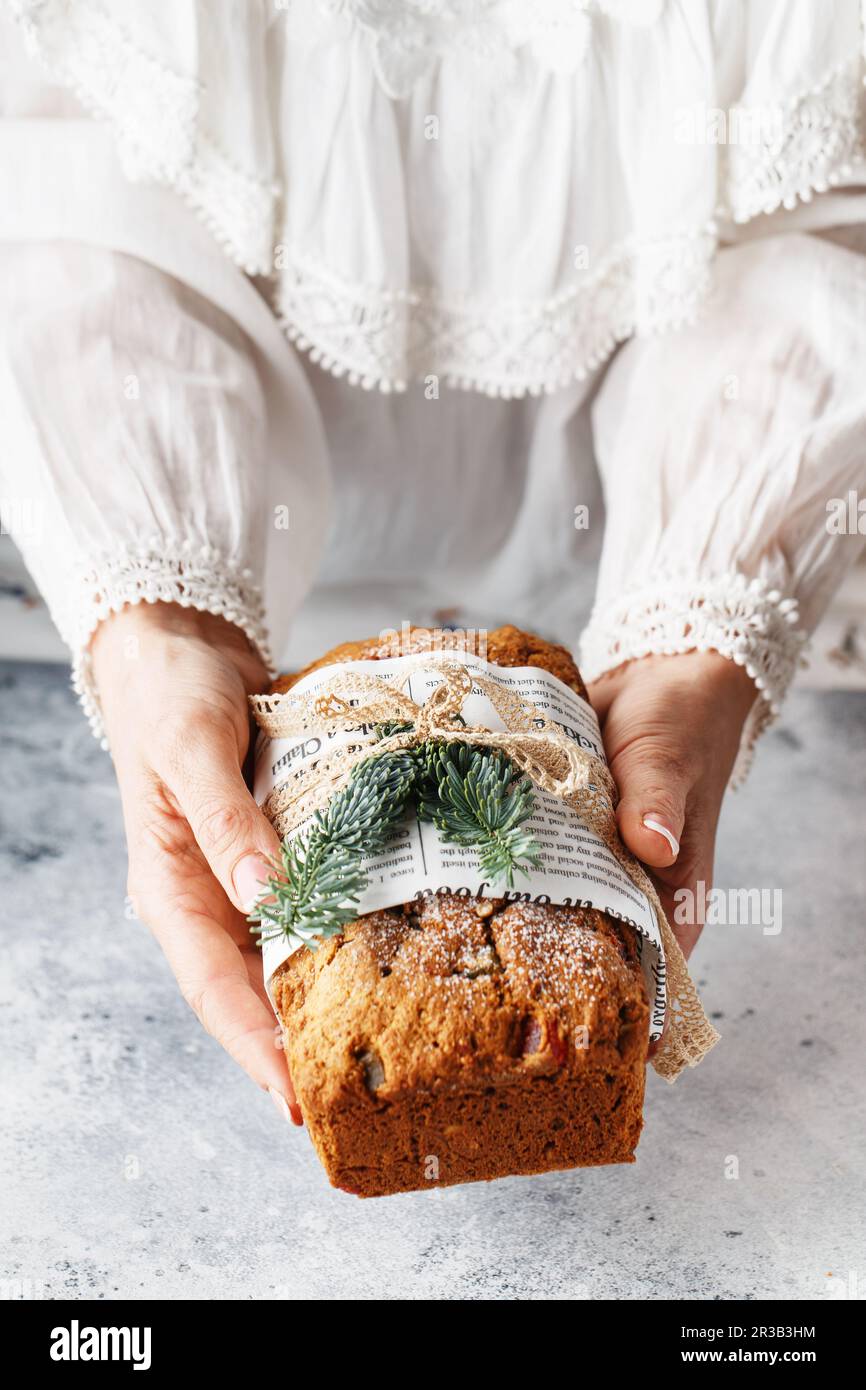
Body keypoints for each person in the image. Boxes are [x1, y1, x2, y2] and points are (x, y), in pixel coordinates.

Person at [1, 1, 864, 1124]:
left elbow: (809, 189)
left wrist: (698, 619)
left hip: (664, 593)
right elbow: (69, 171)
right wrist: (161, 621)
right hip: (261, 646)